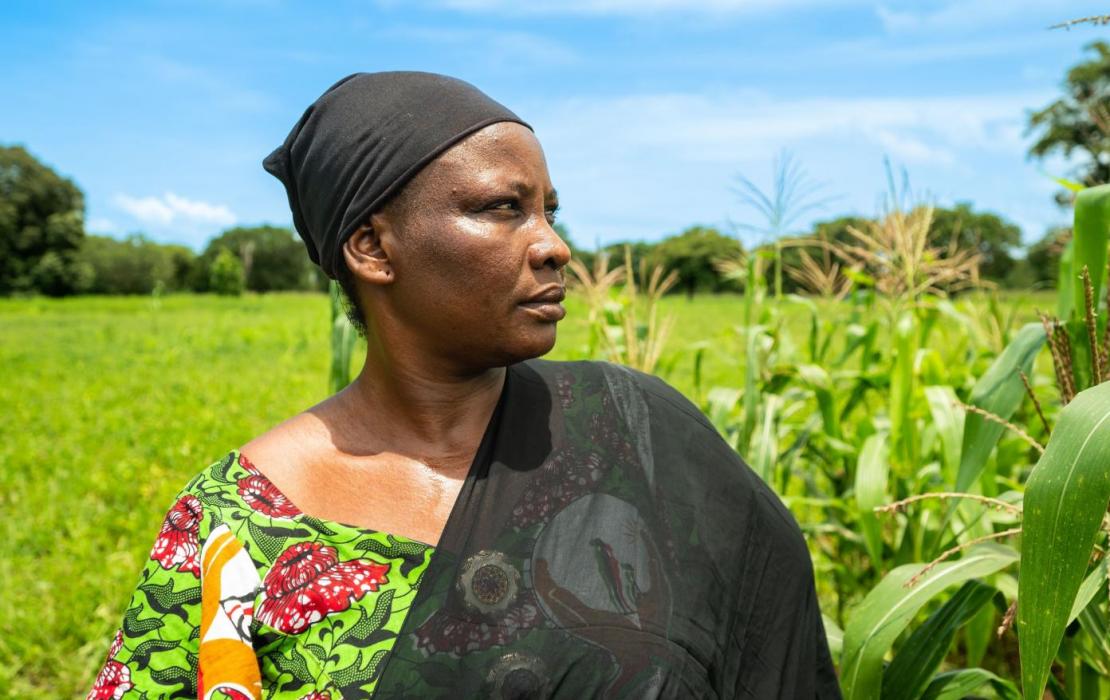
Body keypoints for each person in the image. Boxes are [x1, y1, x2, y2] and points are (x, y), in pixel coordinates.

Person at [86, 71, 840, 699]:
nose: (554, 247)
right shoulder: (235, 523)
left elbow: (769, 640)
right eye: (502, 209)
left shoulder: (636, 431)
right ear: (373, 248)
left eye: (549, 210)